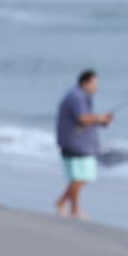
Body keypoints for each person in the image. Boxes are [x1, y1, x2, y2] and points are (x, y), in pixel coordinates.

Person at [55, 69, 113, 218]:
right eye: (94, 83)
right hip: (75, 144)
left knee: (81, 177)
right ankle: (71, 208)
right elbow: (83, 119)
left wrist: (101, 121)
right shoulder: (76, 96)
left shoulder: (79, 96)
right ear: (85, 82)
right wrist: (100, 119)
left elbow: (85, 121)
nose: (96, 87)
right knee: (81, 177)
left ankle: (65, 204)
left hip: (77, 143)